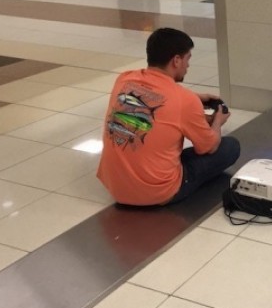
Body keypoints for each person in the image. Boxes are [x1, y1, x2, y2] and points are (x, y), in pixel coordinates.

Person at [97, 28, 240, 206]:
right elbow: (208, 147)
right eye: (188, 59)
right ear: (176, 60)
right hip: (155, 192)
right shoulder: (184, 100)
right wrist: (218, 121)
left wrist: (194, 98)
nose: (188, 65)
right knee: (230, 147)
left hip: (116, 187)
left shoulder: (124, 79)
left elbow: (153, 95)